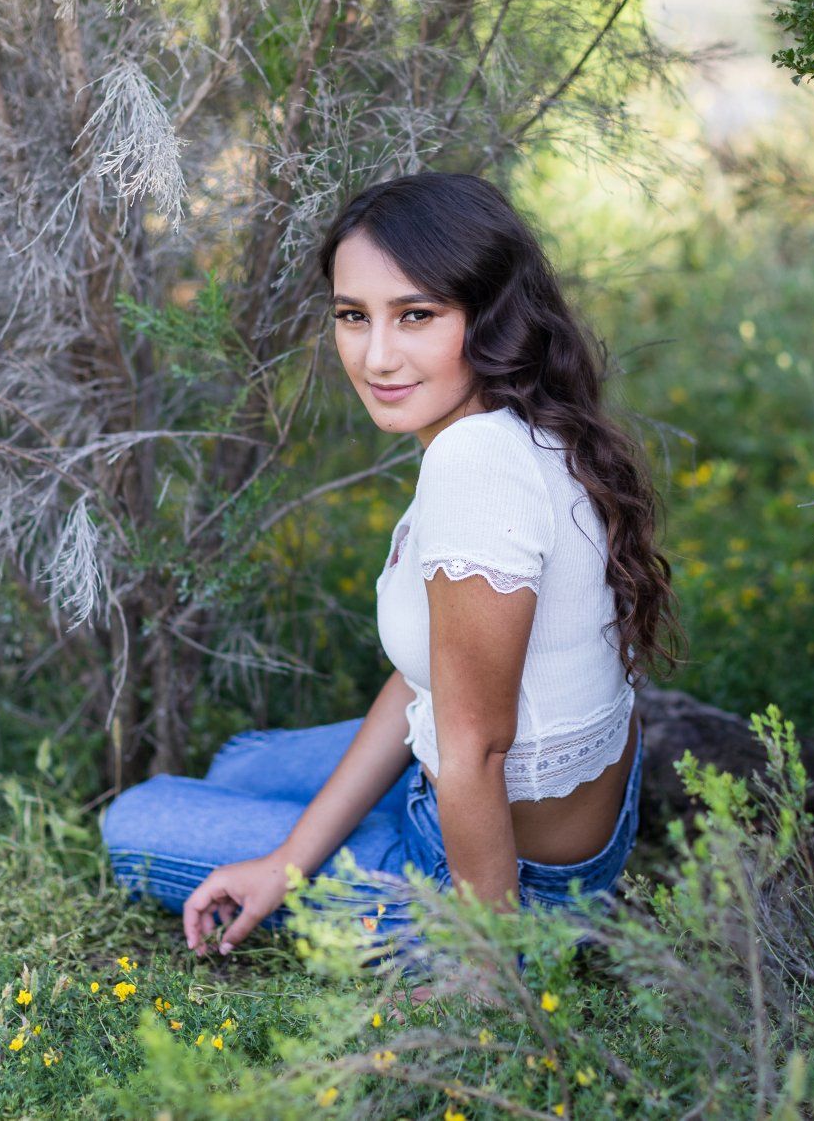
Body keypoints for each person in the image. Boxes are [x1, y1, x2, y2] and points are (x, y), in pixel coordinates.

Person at [99, 171, 683, 976]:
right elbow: (432, 684)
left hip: (495, 874)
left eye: (416, 315)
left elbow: (474, 746)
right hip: (563, 824)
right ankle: (300, 842)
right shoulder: (520, 425)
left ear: (489, 315)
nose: (376, 356)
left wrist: (484, 975)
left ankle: (495, 939)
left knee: (135, 819)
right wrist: (289, 860)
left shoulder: (475, 466)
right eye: (352, 316)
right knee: (240, 762)